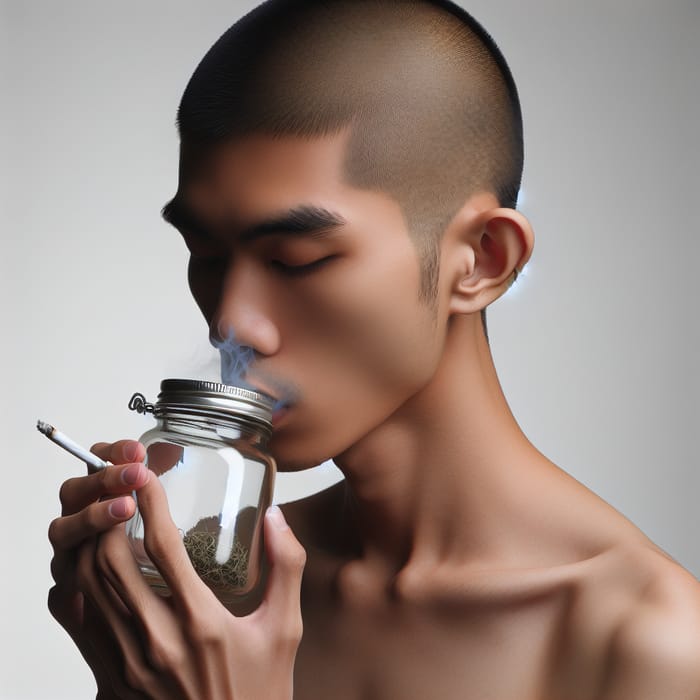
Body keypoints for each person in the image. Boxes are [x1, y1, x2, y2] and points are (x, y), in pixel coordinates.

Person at [48, 1, 700, 698]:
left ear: (481, 259)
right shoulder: (226, 587)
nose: (231, 325)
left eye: (295, 259)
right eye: (204, 253)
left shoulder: (648, 644)